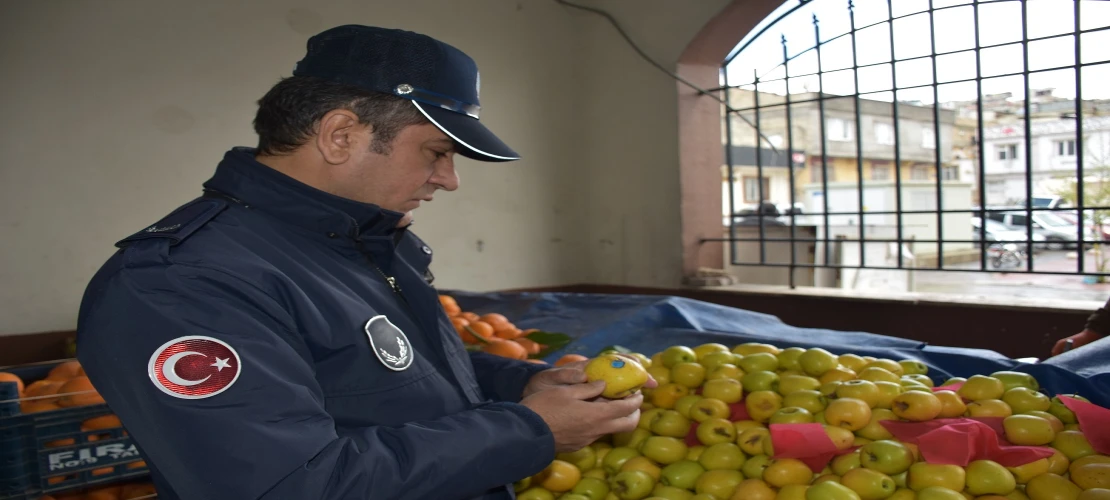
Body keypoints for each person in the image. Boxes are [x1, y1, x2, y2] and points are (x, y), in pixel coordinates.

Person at [75, 25, 651, 500]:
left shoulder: (360, 242)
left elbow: (394, 379)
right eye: (437, 152)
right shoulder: (183, 281)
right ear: (341, 135)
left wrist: (524, 383)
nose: (449, 179)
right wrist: (532, 429)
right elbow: (289, 486)